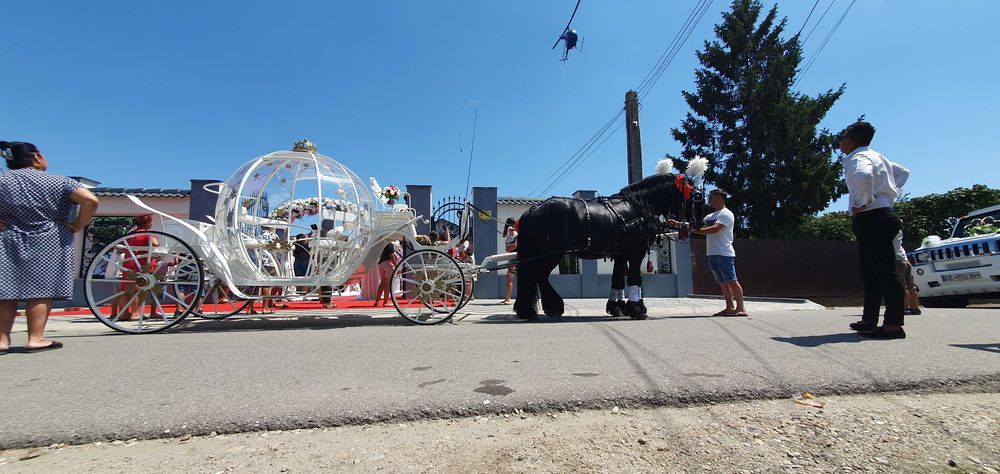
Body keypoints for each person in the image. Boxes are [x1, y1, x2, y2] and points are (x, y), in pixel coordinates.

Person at [0, 141, 100, 353]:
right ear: (36, 157)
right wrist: (77, 225)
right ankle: (35, 338)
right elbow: (91, 200)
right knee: (41, 290)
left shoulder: (2, 179)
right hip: (49, 239)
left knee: (6, 291)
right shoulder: (58, 181)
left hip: (8, 236)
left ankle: (2, 340)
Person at [840, 120, 909, 339]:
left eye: (843, 138)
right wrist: (887, 194)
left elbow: (863, 177)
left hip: (872, 217)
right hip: (882, 215)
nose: (841, 142)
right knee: (870, 272)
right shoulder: (878, 156)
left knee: (885, 272)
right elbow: (903, 173)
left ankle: (893, 326)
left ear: (850, 140)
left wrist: (865, 201)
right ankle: (869, 319)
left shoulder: (857, 157)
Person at [673, 189, 747, 317]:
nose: (709, 200)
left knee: (732, 281)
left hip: (724, 253)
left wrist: (694, 230)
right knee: (723, 283)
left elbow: (714, 229)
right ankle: (729, 307)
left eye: (711, 198)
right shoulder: (711, 216)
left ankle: (741, 308)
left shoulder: (726, 214)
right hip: (712, 253)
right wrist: (678, 224)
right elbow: (695, 225)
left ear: (719, 198)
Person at [893, 231, 921, 315]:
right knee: (910, 285)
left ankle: (904, 308)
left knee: (901, 286)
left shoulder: (890, 230)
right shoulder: (899, 231)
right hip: (904, 258)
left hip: (896, 259)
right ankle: (914, 307)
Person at [501, 217, 518, 305]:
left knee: (509, 278)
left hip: (514, 258)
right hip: (512, 258)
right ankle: (507, 298)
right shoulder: (512, 233)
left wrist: (508, 249)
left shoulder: (513, 233)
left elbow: (514, 246)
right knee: (509, 278)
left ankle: (507, 299)